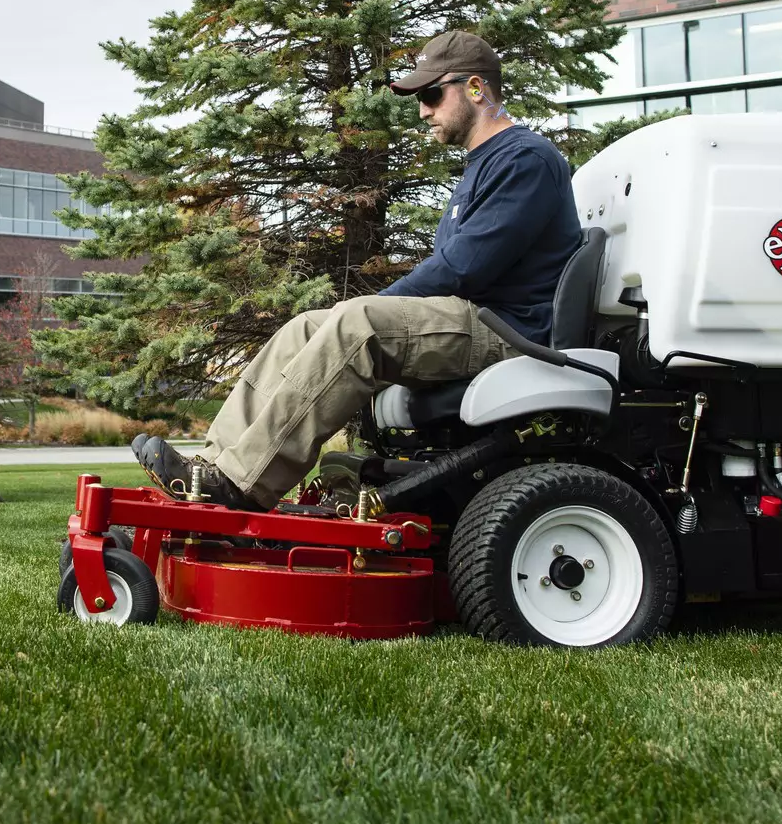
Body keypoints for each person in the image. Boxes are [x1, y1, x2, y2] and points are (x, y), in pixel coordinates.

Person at [133, 30, 584, 509]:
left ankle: (244, 485)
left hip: (511, 333)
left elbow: (461, 270)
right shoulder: (484, 165)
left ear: (476, 89)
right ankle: (213, 467)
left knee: (357, 323)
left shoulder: (526, 160)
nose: (423, 111)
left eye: (432, 94)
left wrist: (369, 304)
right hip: (474, 319)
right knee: (305, 326)